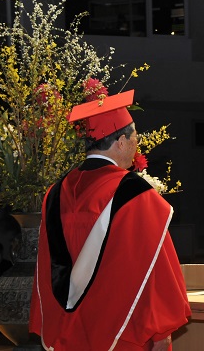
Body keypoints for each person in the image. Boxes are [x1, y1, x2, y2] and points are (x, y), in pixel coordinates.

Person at [29, 90, 191, 350]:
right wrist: (162, 333)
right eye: (135, 136)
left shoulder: (55, 193)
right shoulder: (133, 193)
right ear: (121, 141)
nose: (137, 143)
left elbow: (47, 265)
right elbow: (156, 272)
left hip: (65, 336)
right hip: (120, 335)